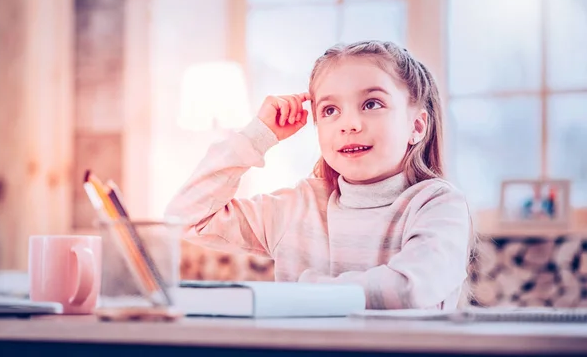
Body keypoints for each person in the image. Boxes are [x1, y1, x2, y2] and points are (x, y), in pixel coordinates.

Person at [165, 40, 473, 310]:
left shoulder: (438, 206)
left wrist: (303, 291)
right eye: (329, 110)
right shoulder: (296, 208)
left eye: (372, 104)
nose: (349, 124)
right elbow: (185, 218)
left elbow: (409, 289)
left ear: (417, 127)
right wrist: (257, 136)